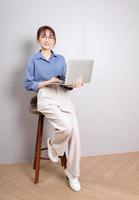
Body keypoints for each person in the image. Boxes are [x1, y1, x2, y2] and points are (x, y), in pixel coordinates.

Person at [24, 25, 84, 192]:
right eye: (44, 36)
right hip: (44, 95)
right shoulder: (33, 60)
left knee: (76, 133)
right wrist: (47, 82)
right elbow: (28, 84)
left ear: (54, 40)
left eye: (50, 37)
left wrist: (74, 83)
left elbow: (66, 82)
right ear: (38, 40)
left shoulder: (60, 59)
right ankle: (54, 144)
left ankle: (72, 173)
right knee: (66, 127)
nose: (47, 39)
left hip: (62, 95)